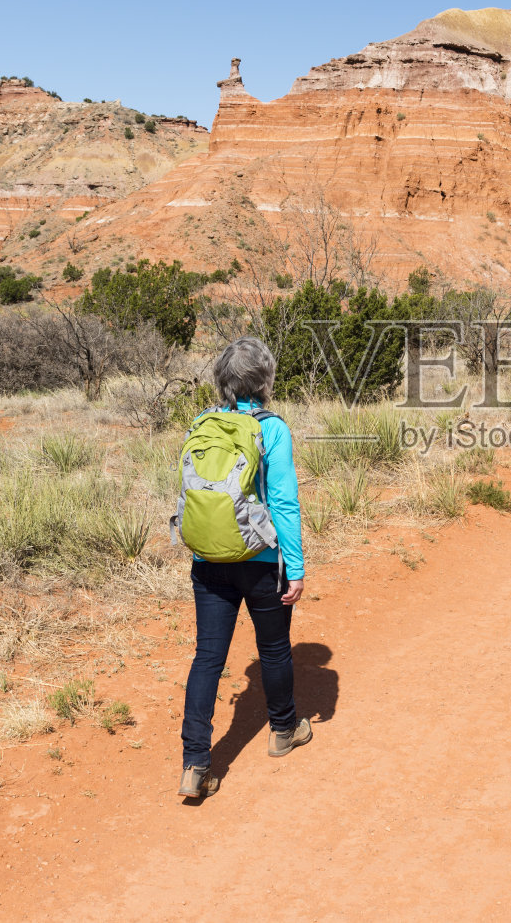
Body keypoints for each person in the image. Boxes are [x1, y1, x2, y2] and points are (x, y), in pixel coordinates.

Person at [179, 336, 310, 799]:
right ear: (265, 380)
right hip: (259, 561)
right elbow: (285, 504)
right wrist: (294, 567)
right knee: (273, 649)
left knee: (207, 659)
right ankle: (283, 730)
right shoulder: (273, 429)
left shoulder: (201, 422)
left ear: (223, 380)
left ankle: (195, 764)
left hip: (208, 559)